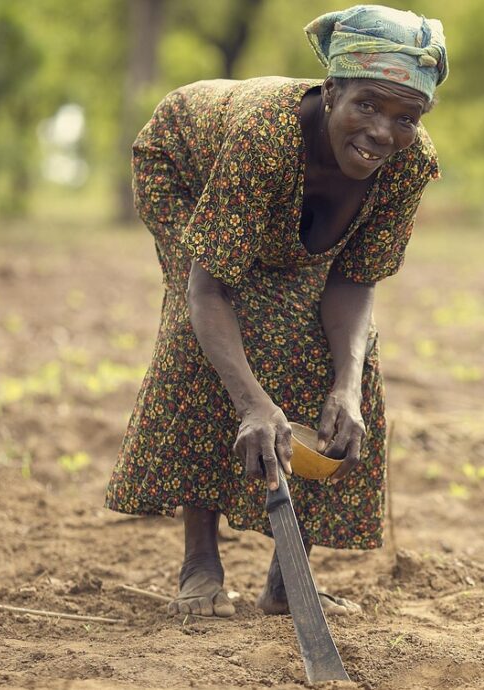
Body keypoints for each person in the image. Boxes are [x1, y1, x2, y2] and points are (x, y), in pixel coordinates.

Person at [105, 5, 447, 618]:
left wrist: (345, 388)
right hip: (184, 165)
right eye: (366, 105)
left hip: (268, 205)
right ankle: (200, 561)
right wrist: (253, 403)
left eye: (405, 116)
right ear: (332, 89)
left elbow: (354, 278)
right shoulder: (267, 135)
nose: (382, 132)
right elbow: (208, 292)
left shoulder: (409, 164)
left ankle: (288, 581)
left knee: (346, 363)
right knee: (215, 326)